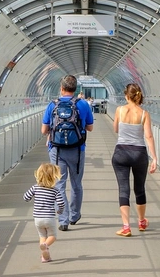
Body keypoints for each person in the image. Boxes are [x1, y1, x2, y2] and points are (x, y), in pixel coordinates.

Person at [41, 75, 93, 231]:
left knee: (59, 185)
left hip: (57, 151)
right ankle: (74, 216)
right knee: (76, 184)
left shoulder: (52, 105)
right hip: (77, 150)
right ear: (75, 89)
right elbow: (90, 127)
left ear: (61, 88)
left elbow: (44, 130)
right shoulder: (83, 104)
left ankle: (63, 220)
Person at [112, 83, 157, 237]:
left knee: (123, 189)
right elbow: (148, 136)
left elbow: (116, 129)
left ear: (126, 96)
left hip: (121, 153)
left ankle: (126, 227)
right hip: (139, 154)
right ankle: (142, 221)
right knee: (140, 188)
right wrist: (154, 158)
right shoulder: (144, 114)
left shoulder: (119, 110)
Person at [23, 163, 65, 263]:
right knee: (52, 236)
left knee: (42, 236)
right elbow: (61, 203)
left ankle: (45, 256)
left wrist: (31, 198)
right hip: (49, 218)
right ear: (54, 176)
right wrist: (60, 211)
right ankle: (46, 246)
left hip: (37, 218)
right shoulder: (55, 190)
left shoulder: (35, 188)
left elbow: (26, 197)